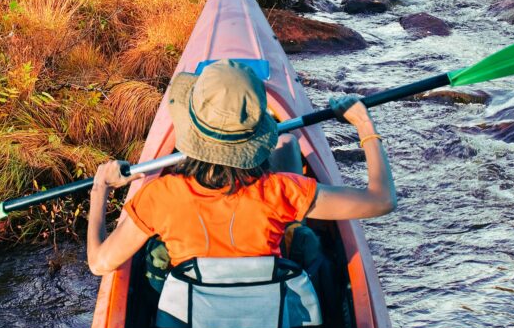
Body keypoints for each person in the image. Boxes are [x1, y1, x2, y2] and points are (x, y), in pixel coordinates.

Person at [85, 59, 396, 279]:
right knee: (307, 237)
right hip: (271, 324)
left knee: (155, 252)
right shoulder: (283, 191)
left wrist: (101, 188)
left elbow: (99, 263)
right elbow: (381, 200)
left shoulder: (159, 196)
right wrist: (363, 123)